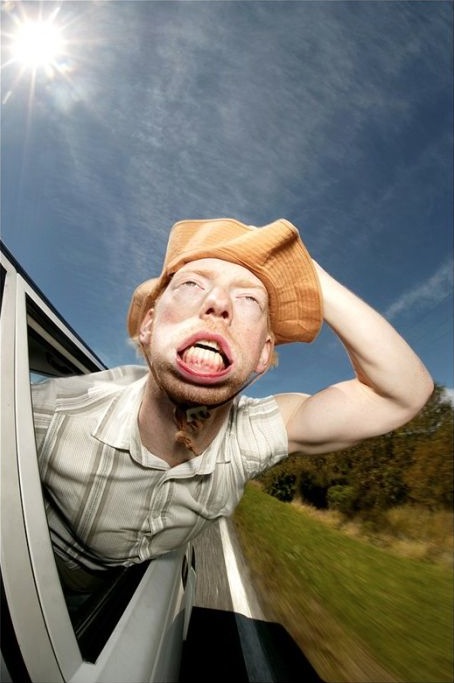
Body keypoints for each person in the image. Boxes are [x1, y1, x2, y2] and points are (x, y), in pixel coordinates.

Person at [32, 218, 433, 593]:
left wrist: (304, 271)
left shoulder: (251, 436)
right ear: (150, 325)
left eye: (248, 299)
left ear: (263, 354)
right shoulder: (46, 417)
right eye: (191, 284)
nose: (218, 304)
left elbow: (401, 393)